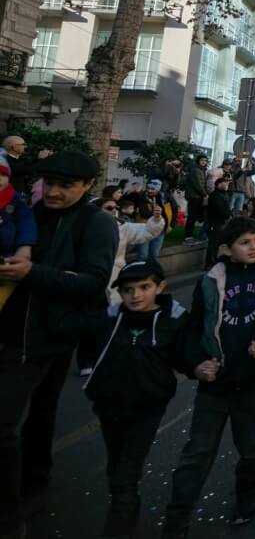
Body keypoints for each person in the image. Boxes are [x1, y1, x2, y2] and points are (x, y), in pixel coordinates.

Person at [0, 151, 118, 538]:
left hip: (45, 339)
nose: (53, 192)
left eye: (65, 186)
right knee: (39, 416)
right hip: (13, 329)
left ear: (86, 186)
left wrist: (34, 273)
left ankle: (11, 512)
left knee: (14, 423)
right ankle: (33, 483)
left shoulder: (97, 223)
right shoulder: (27, 212)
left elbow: (92, 282)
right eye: (49, 183)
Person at [162, 216, 255, 535]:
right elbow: (194, 329)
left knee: (251, 450)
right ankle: (177, 516)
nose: (253, 247)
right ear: (227, 248)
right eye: (244, 242)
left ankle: (246, 501)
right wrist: (196, 365)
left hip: (253, 382)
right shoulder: (210, 280)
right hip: (214, 384)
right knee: (197, 452)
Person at [54, 260, 188, 538]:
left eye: (144, 287)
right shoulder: (109, 318)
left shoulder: (174, 321)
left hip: (148, 409)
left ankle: (119, 525)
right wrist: (69, 287)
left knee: (125, 473)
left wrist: (201, 366)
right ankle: (128, 510)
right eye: (128, 290)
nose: (135, 295)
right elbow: (67, 326)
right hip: (109, 407)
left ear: (159, 287)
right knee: (117, 466)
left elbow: (188, 354)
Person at [99, 197, 165, 306]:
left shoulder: (122, 227)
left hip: (114, 275)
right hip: (89, 275)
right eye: (109, 208)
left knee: (114, 308)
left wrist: (156, 219)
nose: (114, 210)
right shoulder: (83, 227)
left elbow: (147, 231)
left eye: (116, 207)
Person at [0, 162, 36, 312]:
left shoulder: (15, 200)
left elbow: (26, 224)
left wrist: (25, 248)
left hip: (6, 259)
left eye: (3, 175)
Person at [128, 179, 172, 265]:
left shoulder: (164, 197)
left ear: (158, 189)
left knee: (154, 255)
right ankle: (139, 275)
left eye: (152, 189)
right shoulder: (142, 197)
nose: (149, 190)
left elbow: (174, 209)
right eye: (148, 188)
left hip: (160, 229)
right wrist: (155, 212)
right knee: (143, 255)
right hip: (145, 228)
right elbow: (143, 213)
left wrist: (171, 225)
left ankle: (151, 275)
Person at [203, 175, 234, 269]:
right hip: (216, 222)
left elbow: (227, 208)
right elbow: (219, 208)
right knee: (214, 243)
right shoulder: (215, 195)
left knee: (219, 243)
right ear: (217, 185)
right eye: (223, 183)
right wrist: (228, 215)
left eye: (226, 183)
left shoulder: (225, 194)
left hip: (223, 222)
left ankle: (216, 262)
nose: (225, 184)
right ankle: (209, 263)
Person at [182, 154, 209, 241]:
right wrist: (205, 194)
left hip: (198, 196)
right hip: (194, 196)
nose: (203, 162)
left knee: (196, 216)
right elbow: (198, 184)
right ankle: (188, 236)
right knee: (192, 217)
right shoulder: (195, 170)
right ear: (198, 161)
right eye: (202, 160)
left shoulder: (202, 170)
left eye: (205, 161)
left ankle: (190, 236)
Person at [0, 136, 35, 200]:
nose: (25, 147)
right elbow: (27, 169)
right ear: (14, 147)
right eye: (23, 144)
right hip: (10, 197)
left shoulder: (18, 160)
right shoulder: (4, 160)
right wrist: (40, 159)